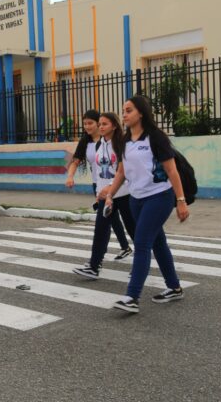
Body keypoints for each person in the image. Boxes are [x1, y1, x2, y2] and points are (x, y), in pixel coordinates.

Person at [100, 95, 189, 314]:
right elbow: (121, 172)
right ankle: (174, 287)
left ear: (141, 112)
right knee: (158, 243)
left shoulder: (155, 137)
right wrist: (110, 194)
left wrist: (181, 200)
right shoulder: (125, 140)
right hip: (136, 199)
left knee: (141, 243)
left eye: (129, 110)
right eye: (123, 110)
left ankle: (132, 297)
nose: (124, 114)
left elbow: (171, 170)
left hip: (159, 197)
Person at [72, 112, 136, 279]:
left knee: (134, 229)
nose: (101, 127)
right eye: (99, 124)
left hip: (124, 194)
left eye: (104, 124)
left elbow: (124, 171)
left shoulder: (121, 144)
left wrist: (110, 188)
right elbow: (100, 173)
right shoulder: (100, 144)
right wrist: (99, 193)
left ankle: (142, 263)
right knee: (100, 230)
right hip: (105, 197)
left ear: (114, 126)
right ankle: (94, 266)